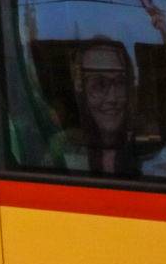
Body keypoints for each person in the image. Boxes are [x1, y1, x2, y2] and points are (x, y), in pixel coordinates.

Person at [49, 37, 146, 176]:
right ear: (82, 93)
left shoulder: (147, 148)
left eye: (120, 82)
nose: (112, 98)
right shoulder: (63, 147)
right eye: (99, 84)